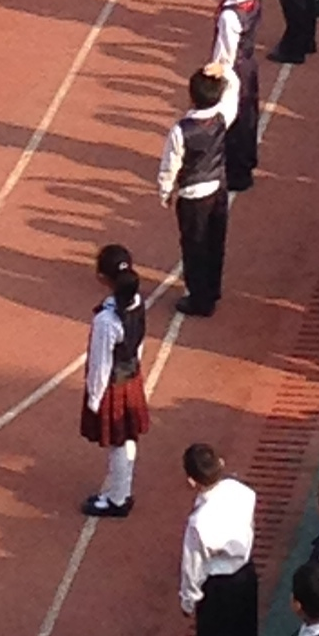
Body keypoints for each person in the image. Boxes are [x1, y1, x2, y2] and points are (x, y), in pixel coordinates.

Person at [180, 442, 259, 636]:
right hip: (246, 575)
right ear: (221, 463)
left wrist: (189, 599)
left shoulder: (199, 522)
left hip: (218, 587)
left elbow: (193, 565)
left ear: (192, 481)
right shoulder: (244, 492)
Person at [161, 66, 240, 317]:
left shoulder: (180, 130)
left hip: (193, 196)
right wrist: (224, 70)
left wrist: (165, 191)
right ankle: (213, 289)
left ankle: (199, 300)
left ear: (191, 96)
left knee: (194, 247)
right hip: (217, 189)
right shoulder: (223, 116)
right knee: (215, 241)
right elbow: (234, 89)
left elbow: (170, 164)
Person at [82, 242, 150, 518]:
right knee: (126, 436)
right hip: (131, 376)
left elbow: (100, 362)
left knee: (117, 442)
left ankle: (117, 498)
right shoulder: (137, 302)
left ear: (102, 278)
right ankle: (121, 489)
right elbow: (140, 340)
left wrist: (94, 398)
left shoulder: (106, 320)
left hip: (113, 383)